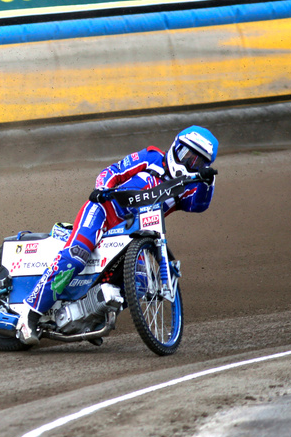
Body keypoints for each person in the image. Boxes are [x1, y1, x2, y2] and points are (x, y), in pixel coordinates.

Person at [16, 125, 219, 345]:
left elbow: (198, 205)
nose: (189, 163)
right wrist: (102, 188)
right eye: (186, 154)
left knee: (140, 281)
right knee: (76, 254)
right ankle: (29, 315)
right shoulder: (151, 157)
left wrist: (208, 183)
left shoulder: (188, 187)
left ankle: (91, 316)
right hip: (104, 212)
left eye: (197, 161)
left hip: (134, 233)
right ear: (175, 147)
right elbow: (113, 171)